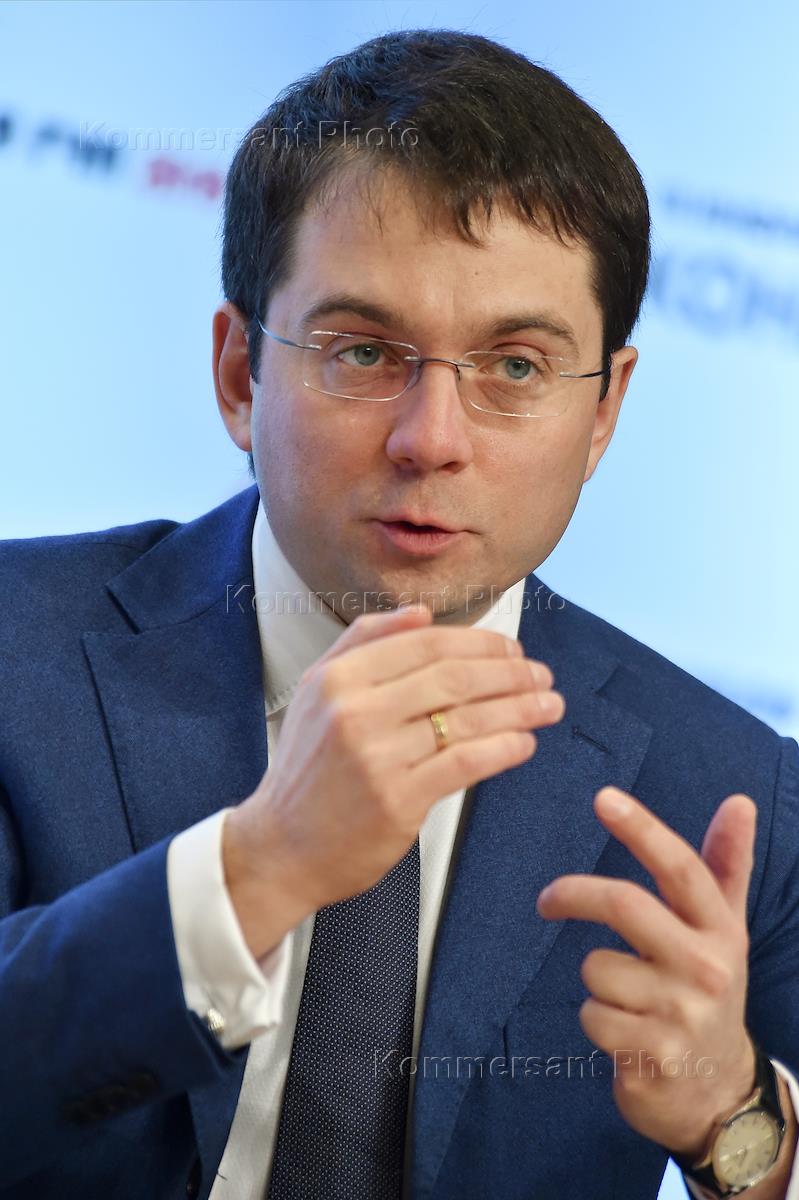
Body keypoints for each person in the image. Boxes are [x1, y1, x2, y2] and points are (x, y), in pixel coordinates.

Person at [1, 26, 797, 1200]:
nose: (431, 439)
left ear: (603, 413)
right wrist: (256, 870)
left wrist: (735, 1120)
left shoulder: (729, 793)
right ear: (240, 375)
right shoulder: (18, 654)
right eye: (366, 353)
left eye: (514, 367)